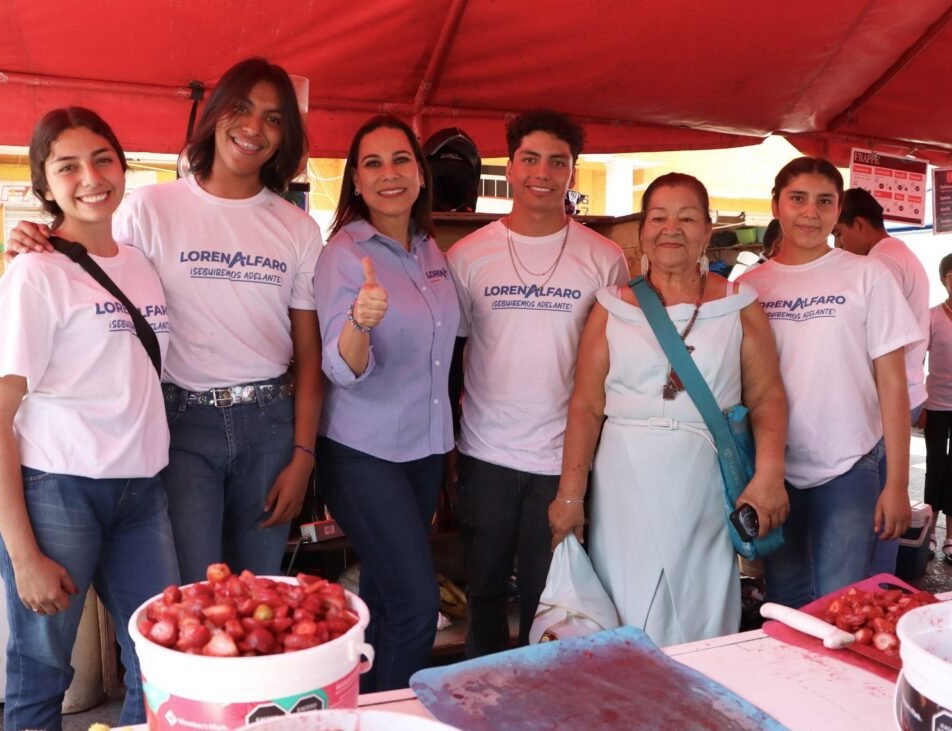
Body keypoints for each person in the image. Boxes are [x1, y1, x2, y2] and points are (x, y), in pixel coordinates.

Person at [7, 58, 325, 584]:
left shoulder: (297, 228)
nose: (253, 128)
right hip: (179, 424)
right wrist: (37, 236)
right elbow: (94, 267)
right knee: (191, 596)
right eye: (242, 109)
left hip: (270, 426)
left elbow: (310, 358)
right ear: (217, 114)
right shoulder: (149, 208)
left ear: (285, 134)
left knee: (259, 595)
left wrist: (304, 456)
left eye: (273, 118)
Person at [0, 107, 180, 731]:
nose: (90, 177)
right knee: (43, 668)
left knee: (163, 656)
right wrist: (24, 552)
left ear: (122, 167)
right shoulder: (35, 274)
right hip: (57, 490)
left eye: (102, 159)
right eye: (68, 167)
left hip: (142, 492)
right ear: (45, 184)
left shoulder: (141, 263)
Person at [549, 173, 788, 645]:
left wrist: (769, 475)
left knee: (698, 609)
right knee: (625, 603)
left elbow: (767, 398)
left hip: (703, 480)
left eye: (686, 217)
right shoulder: (612, 306)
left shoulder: (739, 305)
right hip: (624, 480)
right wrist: (570, 497)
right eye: (658, 217)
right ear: (642, 231)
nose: (670, 228)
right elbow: (587, 405)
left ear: (707, 227)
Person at [446, 110, 628, 657]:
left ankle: (540, 703)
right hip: (485, 454)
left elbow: (615, 366)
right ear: (510, 165)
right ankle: (476, 698)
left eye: (558, 161)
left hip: (564, 460)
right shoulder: (467, 255)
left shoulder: (604, 258)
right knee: (482, 593)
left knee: (549, 601)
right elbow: (452, 358)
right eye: (530, 159)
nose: (542, 172)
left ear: (573, 172)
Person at [313, 115, 459, 691]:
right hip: (362, 454)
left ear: (421, 174)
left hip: (422, 452)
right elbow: (339, 368)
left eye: (400, 160)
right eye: (372, 163)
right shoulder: (344, 255)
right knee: (415, 606)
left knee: (380, 597)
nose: (388, 174)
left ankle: (361, 708)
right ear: (355, 181)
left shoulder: (430, 251)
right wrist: (359, 320)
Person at [739, 157, 922, 608]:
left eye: (824, 202)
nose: (810, 212)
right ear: (776, 205)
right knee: (785, 602)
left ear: (838, 210)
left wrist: (896, 483)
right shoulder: (748, 286)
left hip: (849, 464)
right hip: (774, 471)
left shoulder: (867, 275)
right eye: (797, 199)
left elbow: (893, 384)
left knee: (842, 603)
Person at [832, 186, 930, 574]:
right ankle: (881, 581)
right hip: (907, 388)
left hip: (890, 396)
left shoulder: (880, 264)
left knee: (880, 503)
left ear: (859, 224)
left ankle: (874, 586)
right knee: (884, 502)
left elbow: (872, 340)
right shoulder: (900, 255)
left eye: (839, 233)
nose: (838, 243)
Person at [923, 252, 952, 563]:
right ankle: (929, 532)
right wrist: (918, 403)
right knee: (935, 466)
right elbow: (916, 360)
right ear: (944, 280)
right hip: (936, 404)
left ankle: (951, 537)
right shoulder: (931, 316)